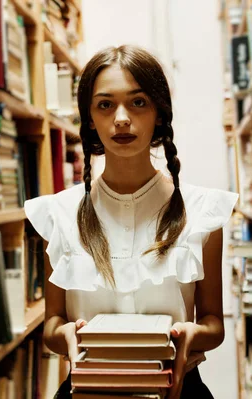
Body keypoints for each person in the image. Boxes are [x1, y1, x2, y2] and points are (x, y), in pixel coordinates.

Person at [24, 45, 238, 399]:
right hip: (87, 389)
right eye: (105, 104)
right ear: (90, 118)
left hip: (178, 388)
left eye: (138, 102)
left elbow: (214, 323)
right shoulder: (59, 214)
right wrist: (64, 338)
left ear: (159, 113)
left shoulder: (203, 211)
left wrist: (188, 337)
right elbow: (53, 322)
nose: (121, 118)